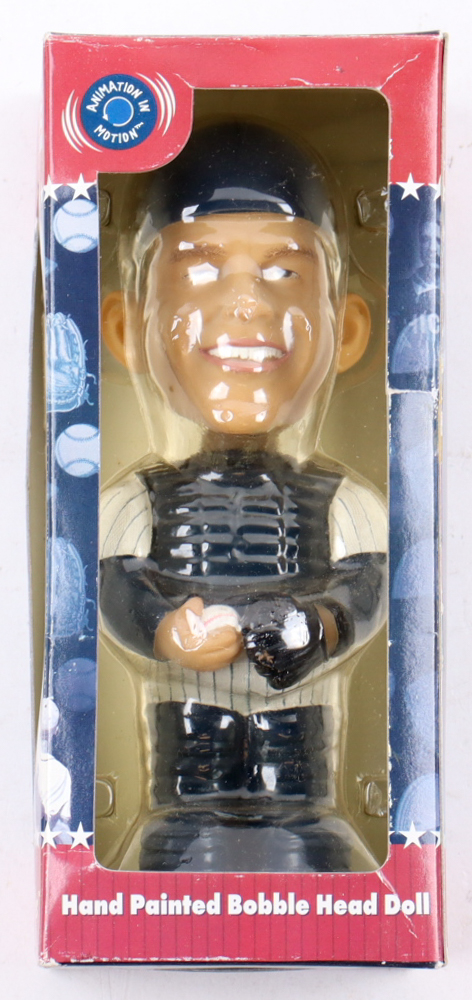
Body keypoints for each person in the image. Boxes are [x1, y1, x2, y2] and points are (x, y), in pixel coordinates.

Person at [100, 121, 387, 872]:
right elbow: (117, 585)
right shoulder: (141, 500)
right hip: (186, 706)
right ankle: (184, 854)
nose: (247, 303)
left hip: (299, 708)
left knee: (297, 786)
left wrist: (321, 626)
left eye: (284, 272)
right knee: (189, 787)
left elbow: (366, 582)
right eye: (200, 270)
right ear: (128, 330)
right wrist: (166, 630)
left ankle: (299, 857)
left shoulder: (339, 500)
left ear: (347, 331)